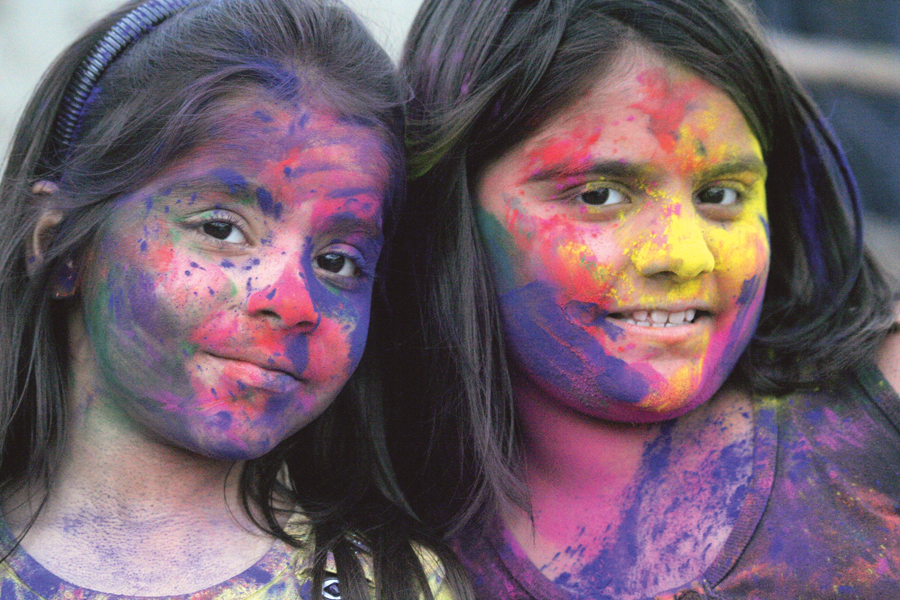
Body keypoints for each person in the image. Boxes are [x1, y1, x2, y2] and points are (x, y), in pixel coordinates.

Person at [387, 0, 900, 597]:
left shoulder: (882, 413)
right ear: (450, 202)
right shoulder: (369, 548)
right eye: (601, 196)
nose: (684, 254)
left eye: (722, 193)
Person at [0, 0, 470, 598]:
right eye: (220, 229)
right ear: (62, 247)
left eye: (337, 261)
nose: (294, 300)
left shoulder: (395, 585)